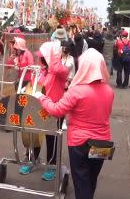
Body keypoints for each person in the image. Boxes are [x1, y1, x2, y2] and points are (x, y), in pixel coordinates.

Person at [37, 49, 114, 199]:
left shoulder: (76, 91)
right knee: (92, 179)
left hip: (80, 143)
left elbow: (57, 110)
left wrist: (42, 98)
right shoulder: (109, 90)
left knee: (81, 181)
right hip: (103, 142)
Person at [36, 41, 70, 181]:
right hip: (40, 108)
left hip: (55, 109)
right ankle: (31, 159)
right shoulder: (44, 70)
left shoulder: (60, 70)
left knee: (52, 139)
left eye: (43, 57)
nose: (40, 60)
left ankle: (52, 165)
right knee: (34, 134)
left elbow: (56, 69)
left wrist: (54, 55)